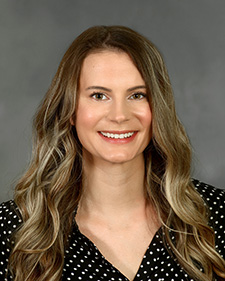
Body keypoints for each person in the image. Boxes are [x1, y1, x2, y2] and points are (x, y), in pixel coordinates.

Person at [0, 25, 225, 281]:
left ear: (157, 108)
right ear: (70, 110)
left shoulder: (217, 213)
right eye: (98, 95)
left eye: (137, 95)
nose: (119, 116)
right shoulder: (12, 229)